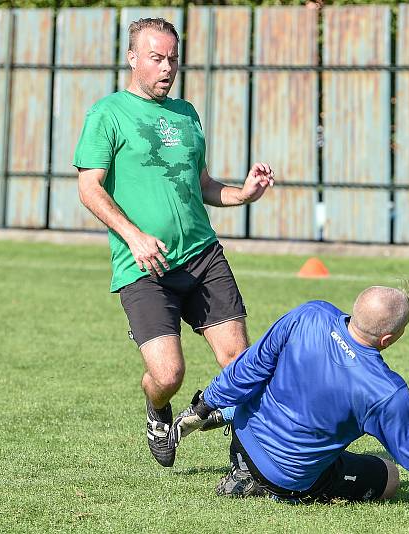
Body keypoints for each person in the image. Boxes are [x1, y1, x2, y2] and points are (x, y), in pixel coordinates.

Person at [73, 17, 275, 468]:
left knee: (239, 363)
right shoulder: (107, 114)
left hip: (202, 256)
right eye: (156, 58)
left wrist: (242, 194)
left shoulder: (187, 114)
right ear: (132, 58)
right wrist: (134, 236)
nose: (167, 68)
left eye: (173, 58)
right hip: (144, 267)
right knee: (168, 374)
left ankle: (248, 458)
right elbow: (90, 188)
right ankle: (158, 409)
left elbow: (201, 183)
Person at [171, 286, 409, 503]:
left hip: (242, 439)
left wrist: (205, 404)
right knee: (389, 476)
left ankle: (236, 446)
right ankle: (264, 487)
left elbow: (249, 367)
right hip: (287, 477)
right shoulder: (387, 392)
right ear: (388, 339)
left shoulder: (311, 314)